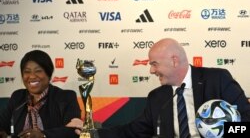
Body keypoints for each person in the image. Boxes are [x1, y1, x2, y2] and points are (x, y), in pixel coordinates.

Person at [67, 38, 250, 138]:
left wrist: (219, 131)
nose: (151, 70)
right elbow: (132, 131)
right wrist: (94, 133)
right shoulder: (157, 97)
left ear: (174, 60)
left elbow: (246, 123)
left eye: (155, 64)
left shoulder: (216, 79)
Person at [0, 50, 81, 138]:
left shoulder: (66, 97)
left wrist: (43, 135)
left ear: (48, 74)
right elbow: (2, 123)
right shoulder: (17, 96)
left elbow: (74, 130)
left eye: (38, 71)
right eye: (27, 71)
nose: (32, 76)